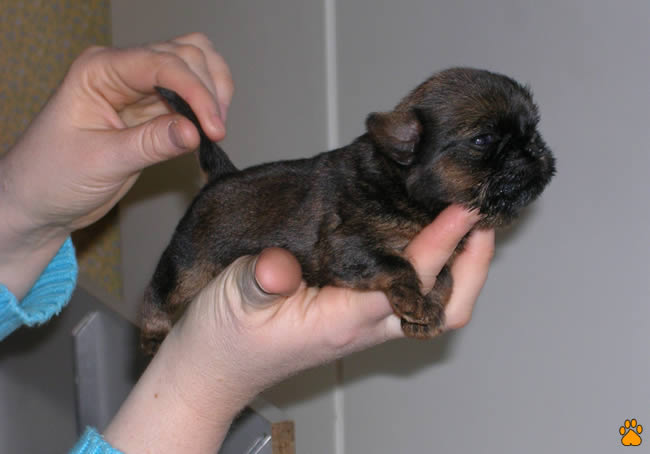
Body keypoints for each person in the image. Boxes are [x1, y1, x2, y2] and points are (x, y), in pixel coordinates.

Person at [0, 33, 495, 453]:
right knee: (180, 271)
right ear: (405, 143)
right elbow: (353, 256)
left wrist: (17, 208)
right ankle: (154, 309)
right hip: (226, 218)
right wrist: (196, 387)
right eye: (483, 142)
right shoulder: (357, 193)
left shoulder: (396, 192)